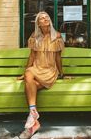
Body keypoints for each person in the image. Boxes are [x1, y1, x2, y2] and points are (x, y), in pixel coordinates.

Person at [17, 11, 64, 139]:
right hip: (36, 68)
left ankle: (33, 119)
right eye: (42, 18)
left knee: (29, 85)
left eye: (47, 17)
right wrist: (25, 73)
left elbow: (58, 58)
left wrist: (62, 73)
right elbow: (32, 56)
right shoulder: (35, 36)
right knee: (29, 77)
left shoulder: (57, 36)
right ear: (38, 23)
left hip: (49, 70)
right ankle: (33, 115)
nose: (45, 19)